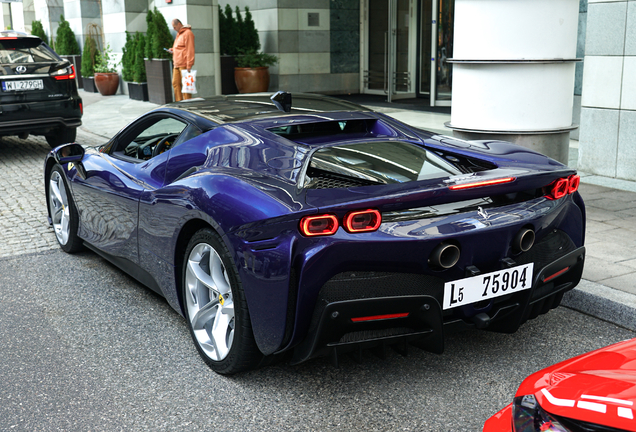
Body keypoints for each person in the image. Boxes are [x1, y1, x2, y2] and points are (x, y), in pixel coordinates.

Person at [167, 19, 195, 102]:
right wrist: (173, 50)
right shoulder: (179, 34)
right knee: (175, 83)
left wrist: (189, 64)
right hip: (176, 64)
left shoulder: (188, 33)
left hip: (184, 64)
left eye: (174, 27)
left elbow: (190, 49)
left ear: (179, 24)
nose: (174, 29)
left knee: (186, 86)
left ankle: (188, 104)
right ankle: (179, 103)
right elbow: (180, 48)